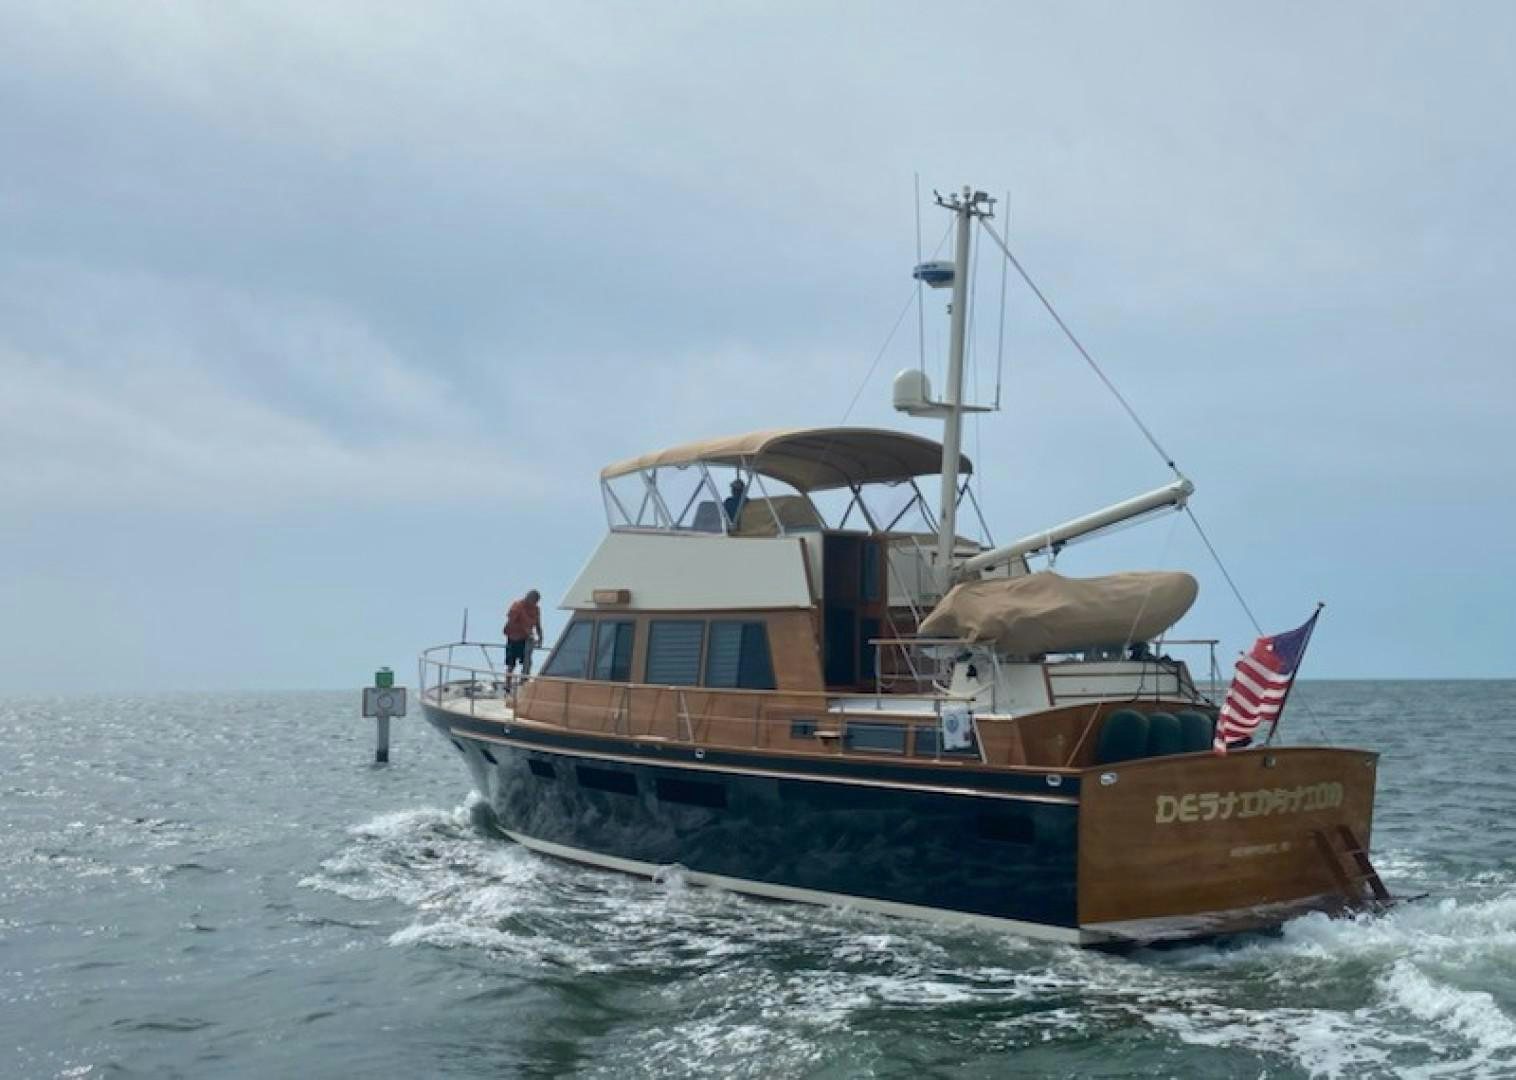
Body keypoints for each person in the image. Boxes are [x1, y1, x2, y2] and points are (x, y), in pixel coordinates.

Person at [502, 589, 544, 685]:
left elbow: (538, 625)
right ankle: (507, 686)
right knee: (511, 664)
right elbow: (511, 621)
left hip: (527, 639)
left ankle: (523, 682)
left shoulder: (536, 610)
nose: (534, 603)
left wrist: (541, 638)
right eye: (533, 600)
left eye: (536, 601)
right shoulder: (517, 605)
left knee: (527, 662)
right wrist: (523, 629)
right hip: (514, 638)